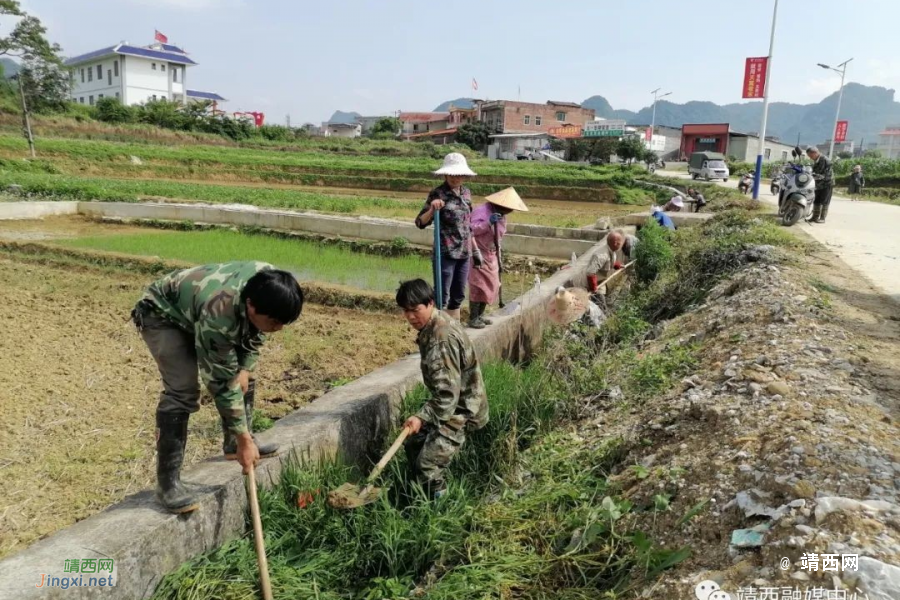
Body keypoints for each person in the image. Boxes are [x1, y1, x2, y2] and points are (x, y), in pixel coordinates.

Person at [132, 262, 303, 513]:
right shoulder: (219, 315)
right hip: (163, 314)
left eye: (284, 322)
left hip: (200, 310)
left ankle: (234, 444)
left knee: (242, 376)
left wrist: (244, 368)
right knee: (182, 391)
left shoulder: (271, 286)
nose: (279, 328)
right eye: (275, 322)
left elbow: (255, 337)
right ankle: (168, 485)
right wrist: (245, 439)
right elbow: (221, 383)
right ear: (251, 306)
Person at [396, 279, 488, 499]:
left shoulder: (441, 339)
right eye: (406, 311)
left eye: (415, 310)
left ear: (430, 303)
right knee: (414, 443)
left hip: (463, 410)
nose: (410, 317)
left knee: (427, 465)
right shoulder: (434, 324)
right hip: (452, 404)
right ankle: (419, 492)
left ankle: (439, 505)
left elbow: (447, 396)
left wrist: (421, 417)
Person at [415, 153, 483, 321]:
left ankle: (454, 328)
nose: (455, 177)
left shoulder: (466, 193)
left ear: (464, 175)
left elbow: (468, 224)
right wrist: (432, 210)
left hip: (464, 252)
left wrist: (475, 250)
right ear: (445, 174)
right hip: (445, 252)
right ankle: (438, 328)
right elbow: (420, 222)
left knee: (458, 295)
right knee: (441, 295)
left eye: (459, 174)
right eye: (452, 174)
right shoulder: (437, 194)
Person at [467, 187, 529, 329]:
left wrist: (499, 258)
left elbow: (498, 238)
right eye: (508, 208)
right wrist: (488, 223)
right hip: (479, 253)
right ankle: (473, 317)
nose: (510, 211)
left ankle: (480, 315)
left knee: (491, 286)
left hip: (492, 254)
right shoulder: (482, 211)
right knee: (478, 287)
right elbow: (471, 230)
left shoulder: (501, 216)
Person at [806, 146, 834, 223]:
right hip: (818, 184)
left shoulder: (825, 160)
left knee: (824, 201)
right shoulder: (816, 160)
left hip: (827, 184)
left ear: (815, 153)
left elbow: (827, 175)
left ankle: (822, 218)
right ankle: (815, 217)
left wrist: (816, 176)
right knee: (816, 200)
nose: (810, 158)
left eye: (811, 156)